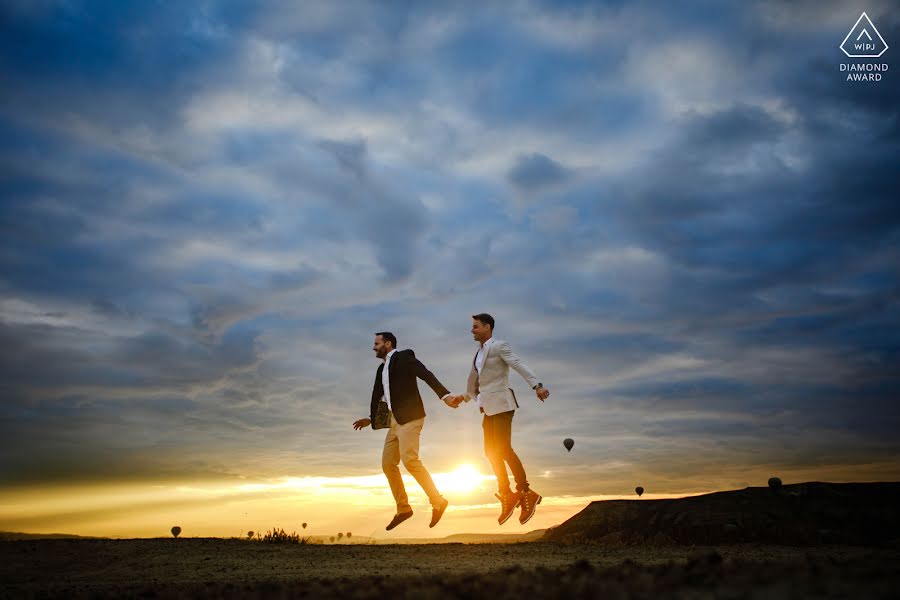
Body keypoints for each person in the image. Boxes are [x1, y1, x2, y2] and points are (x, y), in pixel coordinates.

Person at [353, 332, 460, 530]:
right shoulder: (381, 369)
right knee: (388, 464)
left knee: (409, 460)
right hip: (394, 422)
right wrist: (371, 418)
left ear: (388, 343)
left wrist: (445, 396)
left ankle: (438, 501)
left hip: (411, 418)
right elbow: (381, 396)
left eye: (376, 343)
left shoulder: (405, 357)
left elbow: (426, 375)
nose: (373, 347)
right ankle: (403, 509)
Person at [456, 313, 549, 525]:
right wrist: (463, 397)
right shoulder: (478, 354)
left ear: (487, 327)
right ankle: (506, 494)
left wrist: (537, 385)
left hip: (503, 405)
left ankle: (526, 492)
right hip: (488, 408)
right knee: (490, 451)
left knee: (504, 449)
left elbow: (518, 364)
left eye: (476, 326)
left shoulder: (499, 346)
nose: (472, 330)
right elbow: (475, 382)